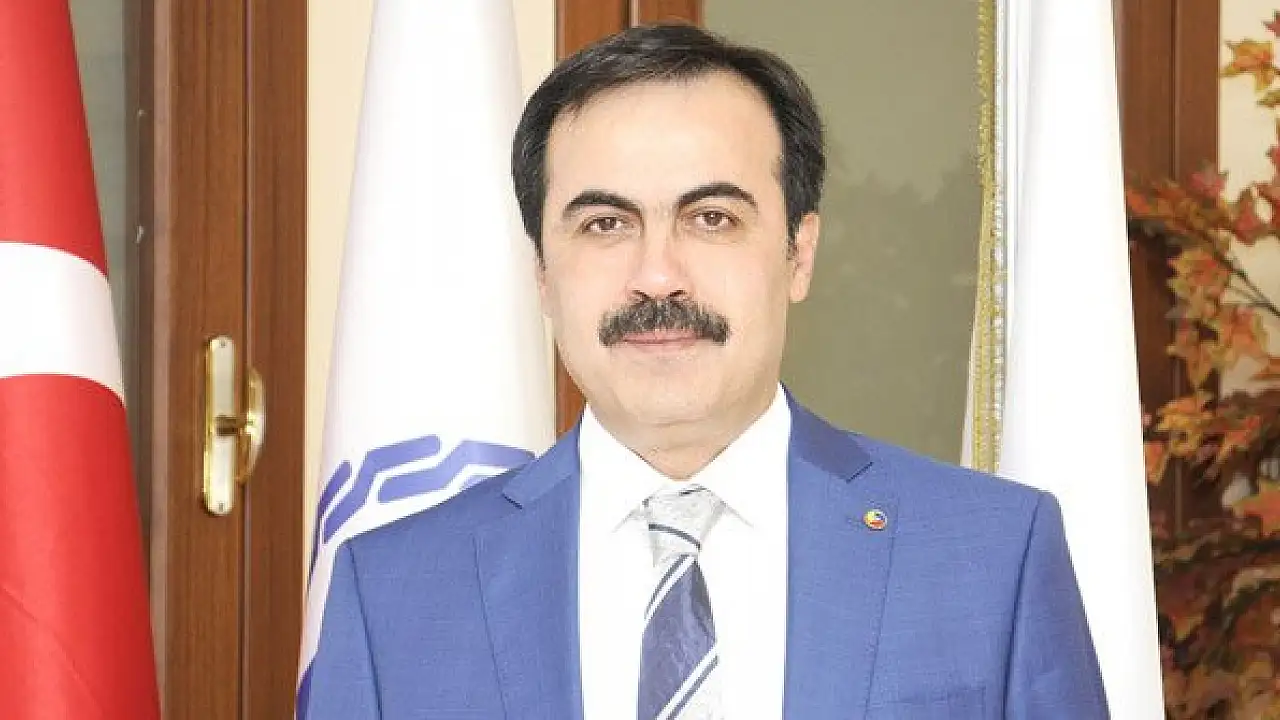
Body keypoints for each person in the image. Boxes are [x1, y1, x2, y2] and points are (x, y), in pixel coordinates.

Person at [302, 24, 1108, 719]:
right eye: (605, 223)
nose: (658, 277)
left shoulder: (993, 558)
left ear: (799, 252)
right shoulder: (393, 593)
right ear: (542, 272)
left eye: (712, 218)